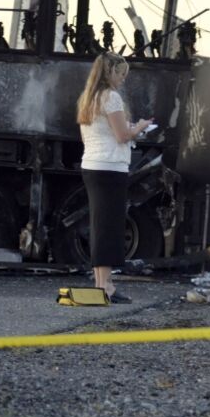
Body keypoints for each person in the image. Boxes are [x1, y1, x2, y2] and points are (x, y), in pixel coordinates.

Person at [76, 52, 153, 303]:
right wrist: (139, 127)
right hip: (110, 168)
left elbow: (93, 135)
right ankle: (106, 286)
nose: (123, 79)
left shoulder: (89, 98)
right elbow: (122, 136)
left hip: (92, 165)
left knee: (100, 226)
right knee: (110, 227)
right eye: (120, 74)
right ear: (110, 73)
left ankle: (101, 285)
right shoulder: (111, 97)